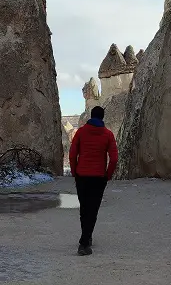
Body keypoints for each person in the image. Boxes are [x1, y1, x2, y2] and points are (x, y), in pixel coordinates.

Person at [68, 105, 118, 256]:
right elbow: (114, 158)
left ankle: (86, 238)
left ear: (91, 116)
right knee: (93, 209)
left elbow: (72, 154)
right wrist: (107, 175)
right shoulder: (108, 134)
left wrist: (74, 171)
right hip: (98, 177)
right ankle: (84, 242)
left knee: (84, 208)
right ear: (102, 117)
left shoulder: (81, 132)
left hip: (82, 175)